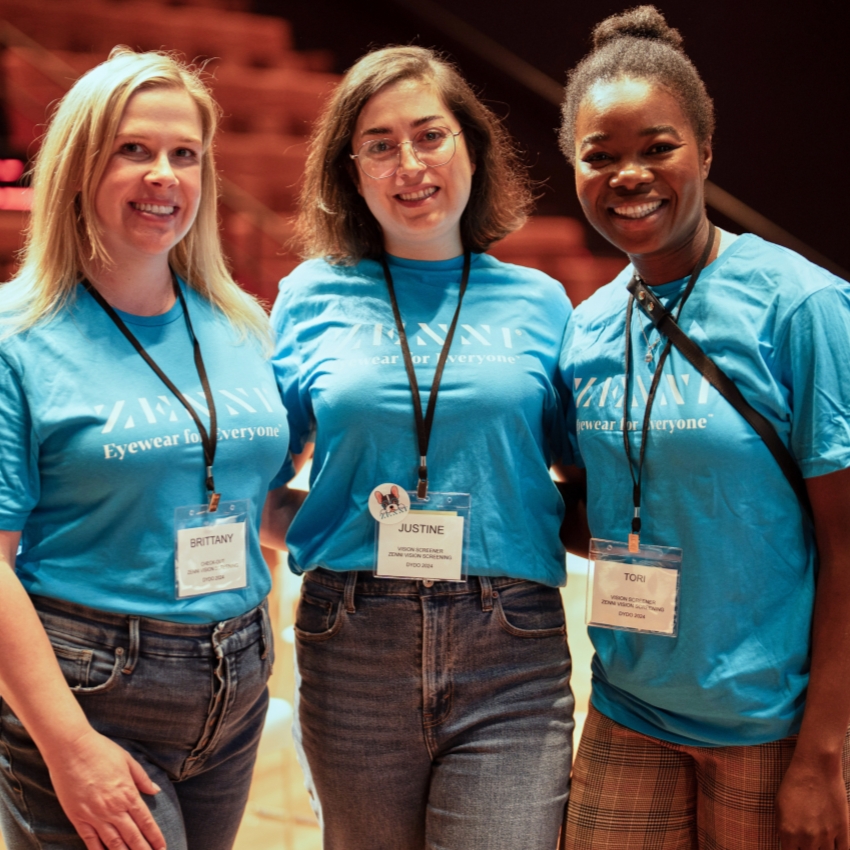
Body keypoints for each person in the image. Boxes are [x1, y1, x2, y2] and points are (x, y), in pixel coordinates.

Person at [263, 44, 575, 850]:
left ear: (470, 146)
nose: (410, 164)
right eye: (379, 144)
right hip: (352, 635)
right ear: (352, 170)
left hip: (510, 643)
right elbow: (250, 477)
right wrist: (325, 524)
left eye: (430, 135)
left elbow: (584, 479)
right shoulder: (310, 295)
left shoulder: (541, 302)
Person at [557, 7, 850, 849]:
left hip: (773, 726)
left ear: (706, 152)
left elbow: (849, 543)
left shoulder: (800, 305)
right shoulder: (587, 327)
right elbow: (594, 514)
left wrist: (822, 754)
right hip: (627, 710)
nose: (629, 175)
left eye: (658, 147)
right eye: (600, 155)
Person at [0, 48, 293, 850]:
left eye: (184, 154)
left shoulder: (240, 324)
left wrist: (383, 532)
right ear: (79, 166)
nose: (163, 175)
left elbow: (251, 502)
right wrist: (67, 747)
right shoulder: (17, 338)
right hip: (92, 686)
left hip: (237, 676)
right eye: (133, 149)